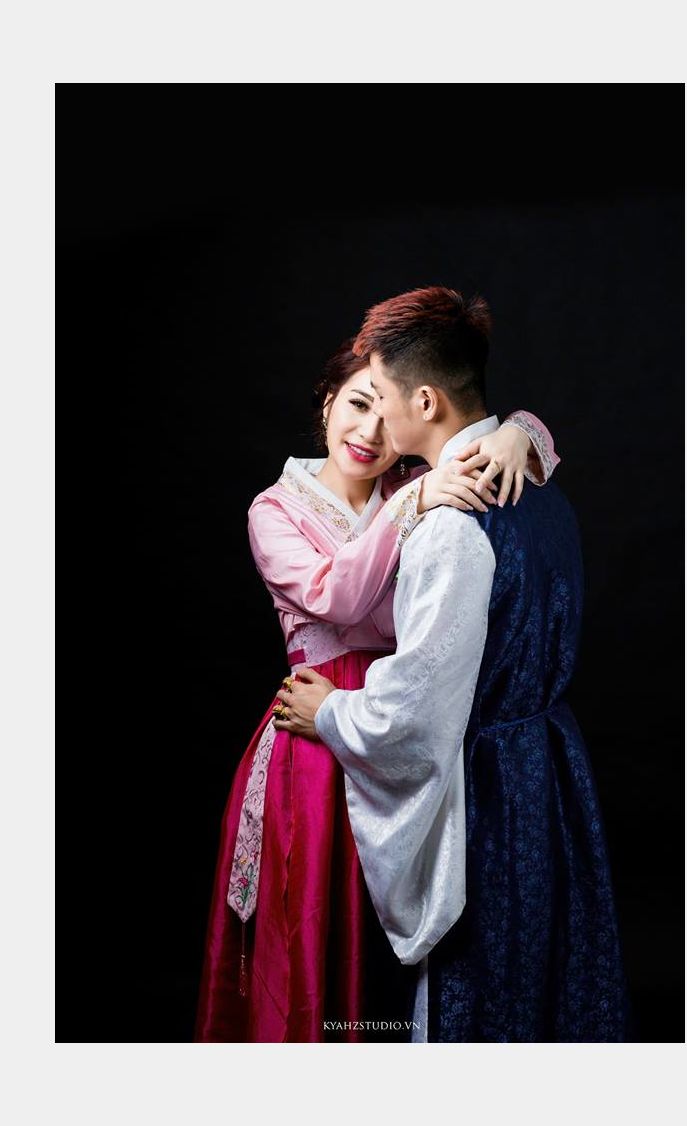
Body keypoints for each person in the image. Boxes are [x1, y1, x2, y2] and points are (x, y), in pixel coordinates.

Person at [275, 287, 630, 1042]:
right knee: (548, 973)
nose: (376, 418)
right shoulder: (539, 486)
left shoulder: (448, 523)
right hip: (550, 765)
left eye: (384, 396)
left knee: (486, 989)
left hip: (489, 787)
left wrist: (330, 711)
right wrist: (522, 431)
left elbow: (413, 713)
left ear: (426, 401)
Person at [194, 335, 559, 1042]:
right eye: (356, 405)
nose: (369, 432)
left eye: (384, 417)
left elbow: (507, 438)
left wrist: (520, 433)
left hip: (410, 730)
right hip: (319, 733)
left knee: (400, 952)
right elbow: (335, 596)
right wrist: (414, 501)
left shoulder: (410, 481)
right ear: (327, 401)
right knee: (319, 927)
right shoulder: (276, 510)